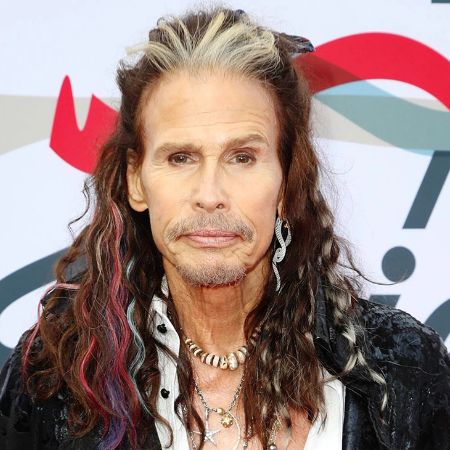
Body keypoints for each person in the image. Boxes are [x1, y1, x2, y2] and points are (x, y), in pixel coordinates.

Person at [1, 6, 449, 450]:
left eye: (242, 157)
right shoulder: (51, 378)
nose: (210, 193)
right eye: (181, 157)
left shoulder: (404, 368)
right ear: (136, 180)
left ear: (286, 184)